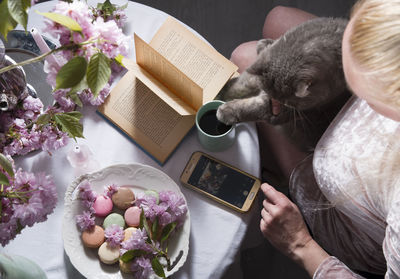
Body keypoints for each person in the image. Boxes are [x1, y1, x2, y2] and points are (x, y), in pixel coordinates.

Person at [231, 1, 400, 278]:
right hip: (355, 121)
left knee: (244, 59)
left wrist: (301, 243)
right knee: (278, 19)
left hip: (342, 210)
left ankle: (281, 170)